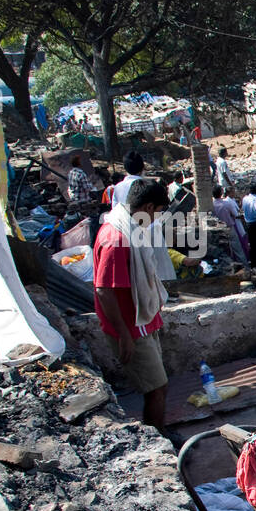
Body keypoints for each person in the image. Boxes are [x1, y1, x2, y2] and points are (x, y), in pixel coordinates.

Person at [93, 179, 171, 430]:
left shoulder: (129, 228)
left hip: (142, 320)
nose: (156, 218)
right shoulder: (116, 239)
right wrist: (124, 335)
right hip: (130, 326)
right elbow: (104, 290)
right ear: (148, 207)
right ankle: (159, 438)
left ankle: (159, 432)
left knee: (159, 385)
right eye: (158, 212)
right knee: (156, 388)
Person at [211, 186, 249, 265]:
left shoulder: (212, 205)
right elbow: (235, 215)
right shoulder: (226, 203)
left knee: (224, 251)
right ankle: (245, 267)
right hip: (230, 228)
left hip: (218, 231)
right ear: (221, 193)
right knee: (238, 249)